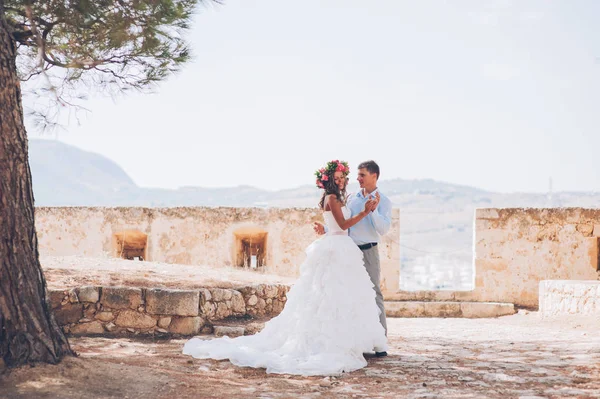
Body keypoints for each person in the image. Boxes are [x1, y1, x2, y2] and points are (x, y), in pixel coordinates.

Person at [182, 160, 388, 376]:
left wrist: (331, 225)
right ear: (328, 181)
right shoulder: (332, 197)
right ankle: (328, 343)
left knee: (346, 296)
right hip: (337, 248)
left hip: (343, 247)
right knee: (329, 296)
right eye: (336, 177)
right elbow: (344, 225)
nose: (341, 180)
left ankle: (349, 341)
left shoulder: (342, 197)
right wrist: (365, 212)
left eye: (342, 177)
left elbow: (337, 225)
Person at [313, 160, 391, 357]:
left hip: (369, 250)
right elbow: (343, 225)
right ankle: (356, 340)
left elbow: (382, 229)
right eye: (357, 175)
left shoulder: (385, 201)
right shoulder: (351, 198)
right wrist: (326, 230)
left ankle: (380, 342)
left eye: (362, 175)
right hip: (348, 252)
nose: (357, 179)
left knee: (374, 293)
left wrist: (372, 212)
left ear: (375, 176)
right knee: (351, 295)